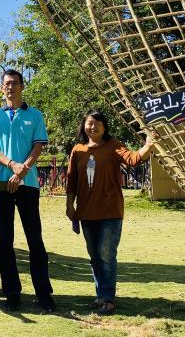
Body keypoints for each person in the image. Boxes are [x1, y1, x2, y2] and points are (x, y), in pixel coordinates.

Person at [65, 110, 156, 315]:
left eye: (98, 123)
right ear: (84, 126)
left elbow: (133, 159)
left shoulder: (113, 145)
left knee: (106, 255)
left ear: (104, 127)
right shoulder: (77, 150)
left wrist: (149, 145)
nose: (93, 127)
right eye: (90, 123)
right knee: (94, 256)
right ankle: (100, 295)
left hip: (110, 212)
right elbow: (71, 181)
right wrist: (70, 205)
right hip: (86, 212)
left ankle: (108, 298)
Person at [0, 69, 55, 313]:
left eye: (15, 83)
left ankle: (44, 294)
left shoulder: (34, 115)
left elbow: (38, 145)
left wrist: (22, 169)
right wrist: (11, 165)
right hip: (2, 183)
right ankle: (12, 293)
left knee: (35, 239)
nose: (10, 87)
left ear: (22, 86)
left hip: (28, 183)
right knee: (6, 241)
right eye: (7, 83)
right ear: (1, 88)